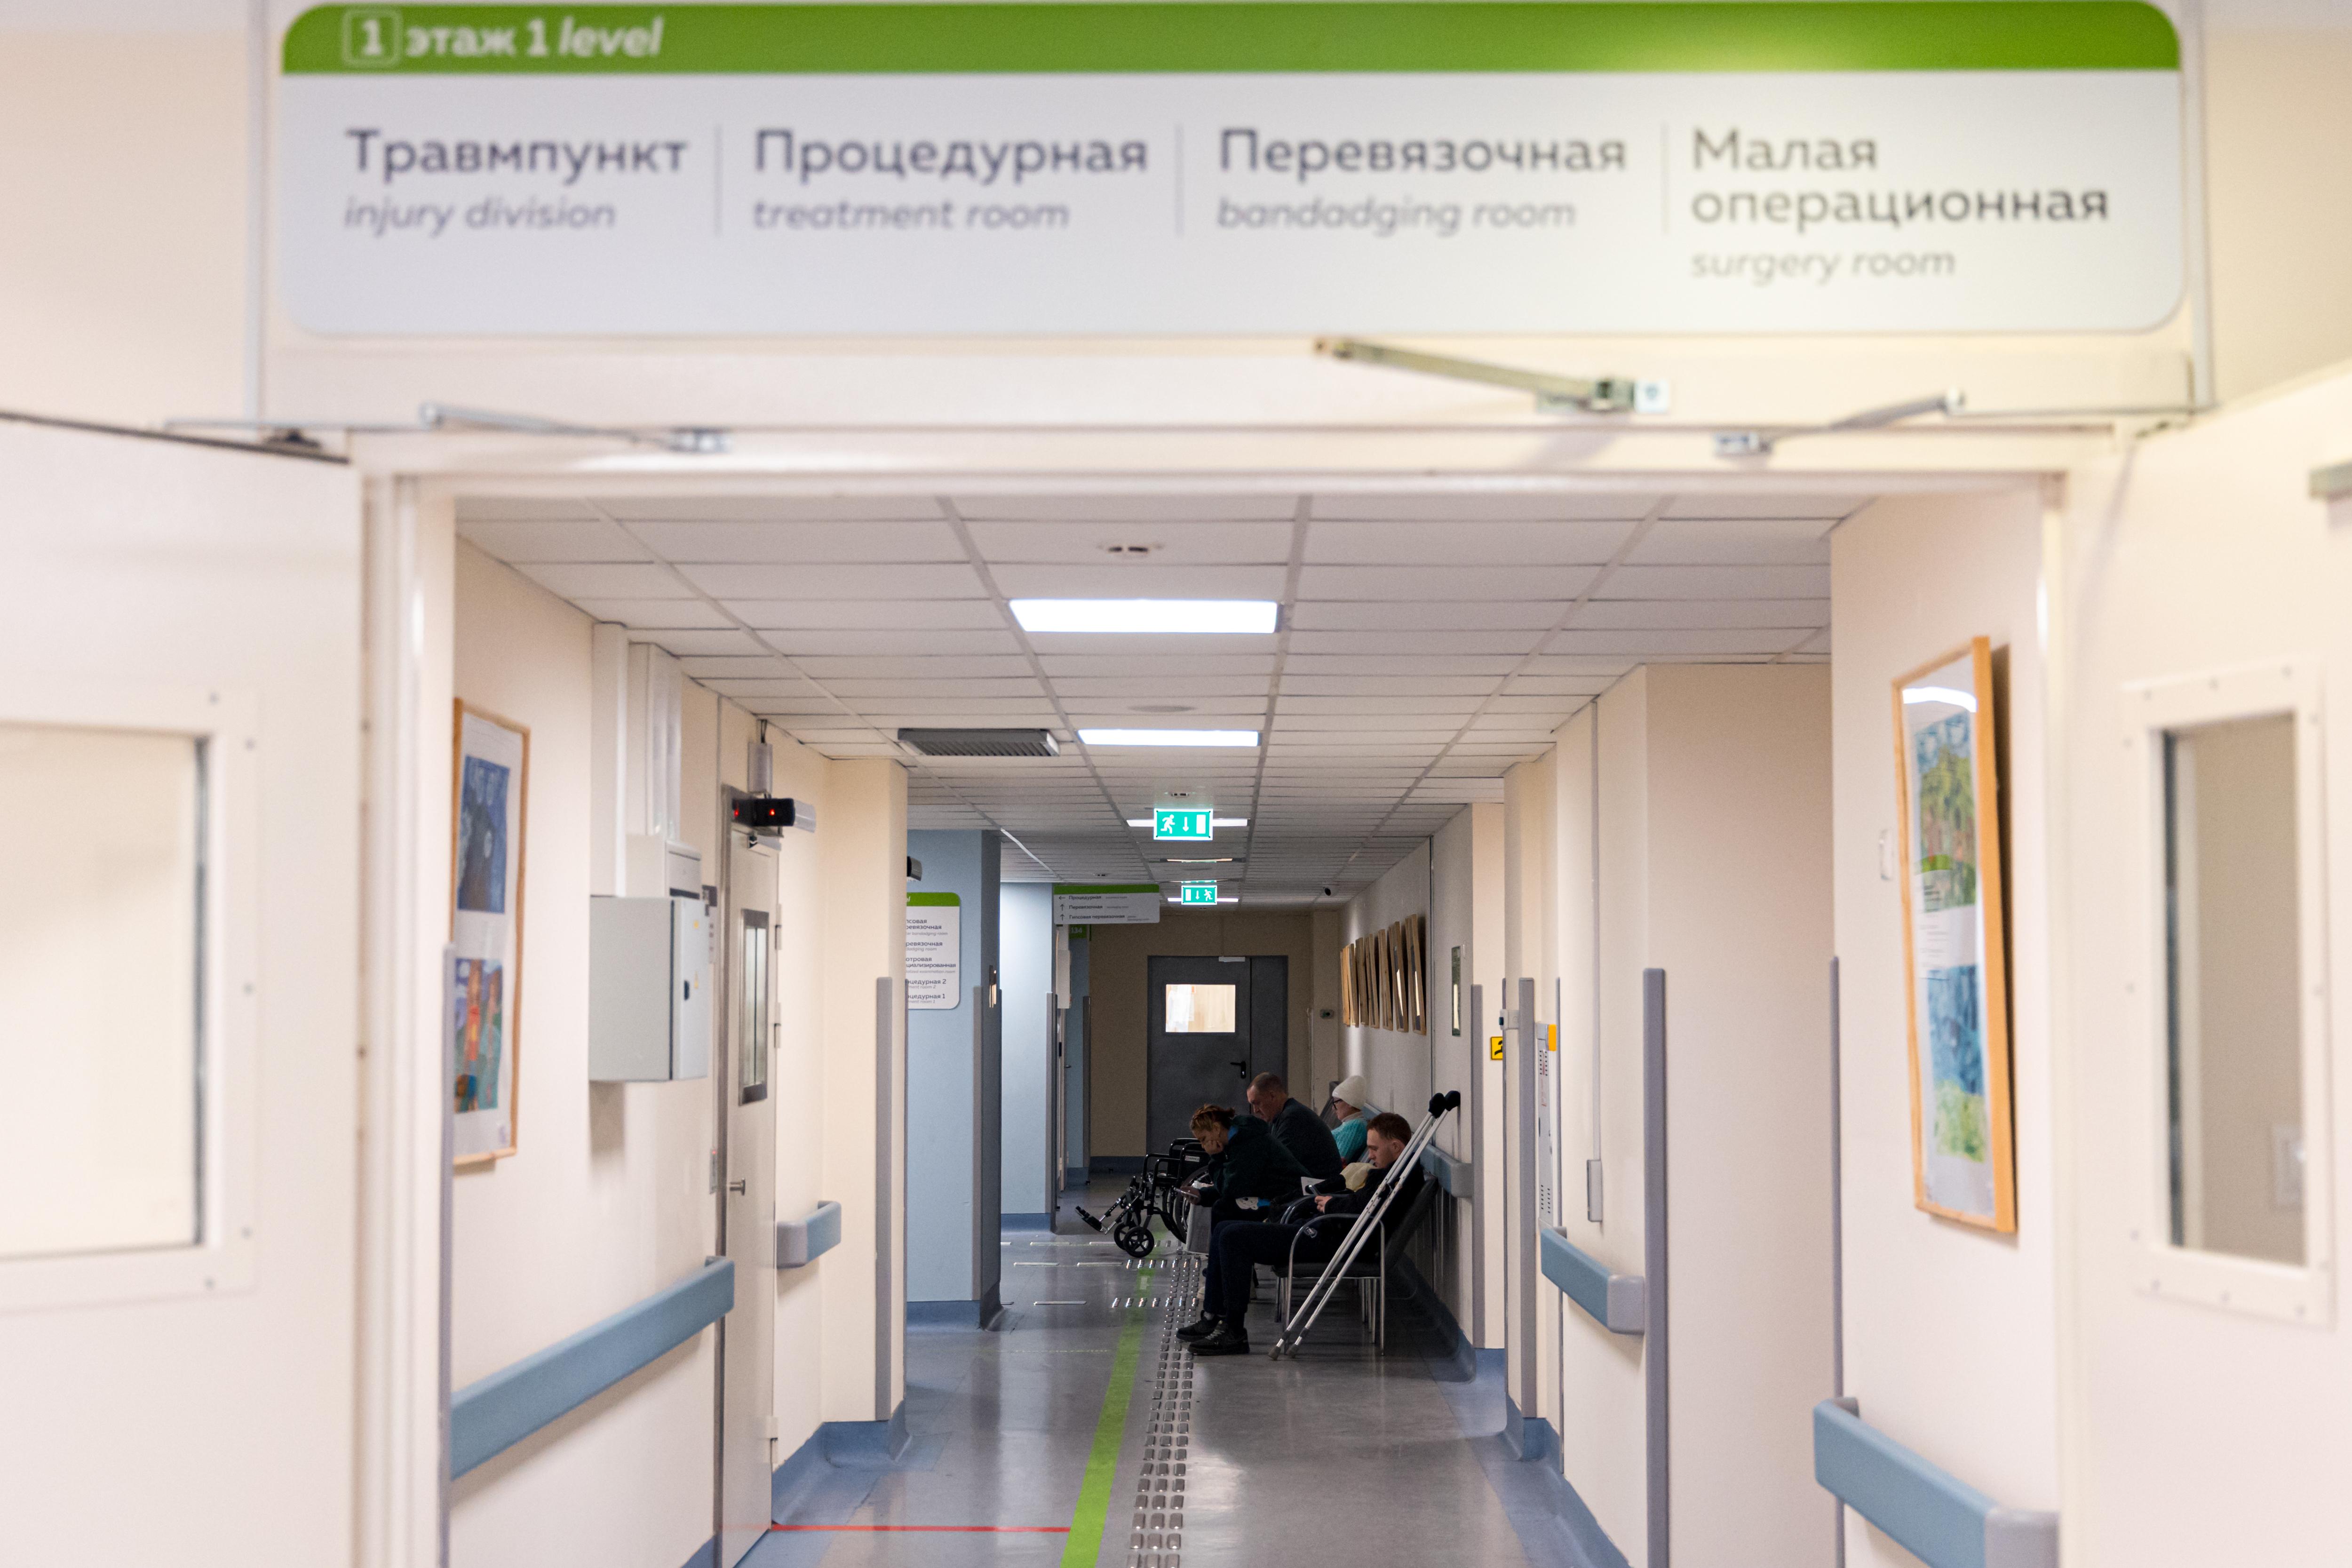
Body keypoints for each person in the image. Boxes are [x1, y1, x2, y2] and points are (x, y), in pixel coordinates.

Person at [1183, 1111, 1423, 1357]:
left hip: (1330, 1241)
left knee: (1233, 1236)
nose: (1370, 1156)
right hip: (1323, 1232)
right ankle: (1214, 1316)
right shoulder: (1393, 1173)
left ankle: (1234, 1331)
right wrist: (1332, 1203)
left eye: (1374, 1149)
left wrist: (1331, 1205)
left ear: (1396, 1147)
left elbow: (1365, 1211)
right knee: (1224, 1229)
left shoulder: (1399, 1180)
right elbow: (1363, 1204)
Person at [1183, 1103, 1307, 1229]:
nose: (1203, 1145)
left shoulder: (1248, 1144)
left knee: (1223, 1208)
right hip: (1274, 1194)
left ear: (1216, 1128)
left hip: (1287, 1199)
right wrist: (1203, 1195)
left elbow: (1233, 1190)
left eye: (1203, 1139)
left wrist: (1216, 1157)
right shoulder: (1239, 1139)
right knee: (1223, 1206)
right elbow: (1235, 1182)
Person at [1244, 1071, 1344, 1183]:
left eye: (1257, 1103)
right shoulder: (1282, 1115)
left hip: (1320, 1188)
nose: (1255, 1110)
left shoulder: (1293, 1118)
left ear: (1272, 1096)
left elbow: (1278, 1166)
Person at [1328, 1074, 1371, 1163]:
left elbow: (1339, 1160)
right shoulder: (1351, 1123)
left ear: (1350, 1103)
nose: (1333, 1108)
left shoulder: (1356, 1126)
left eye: (1336, 1102)